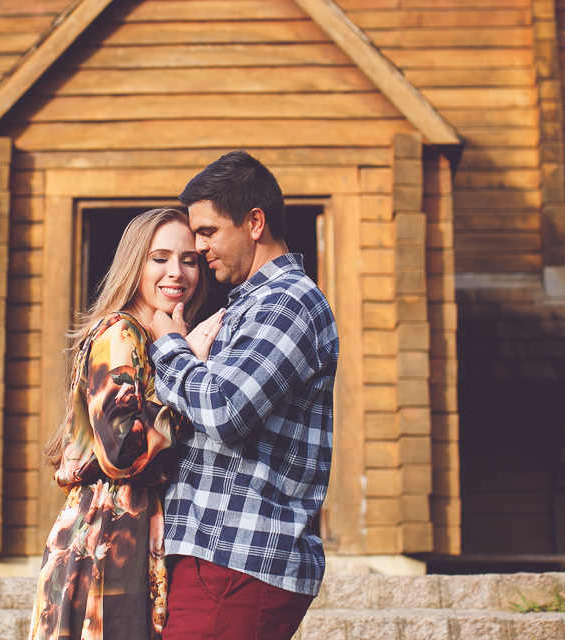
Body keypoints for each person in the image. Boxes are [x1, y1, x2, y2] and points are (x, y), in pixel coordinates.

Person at [148, 151, 339, 640]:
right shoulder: (251, 305)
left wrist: (167, 346)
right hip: (218, 556)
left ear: (255, 222)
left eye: (208, 232)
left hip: (239, 556)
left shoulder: (289, 302)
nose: (200, 246)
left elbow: (224, 409)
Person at [29, 208, 214, 640]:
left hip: (121, 537)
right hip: (105, 543)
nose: (177, 273)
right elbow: (121, 451)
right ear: (135, 264)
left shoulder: (150, 338)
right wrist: (191, 374)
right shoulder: (121, 333)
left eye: (189, 260)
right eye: (160, 258)